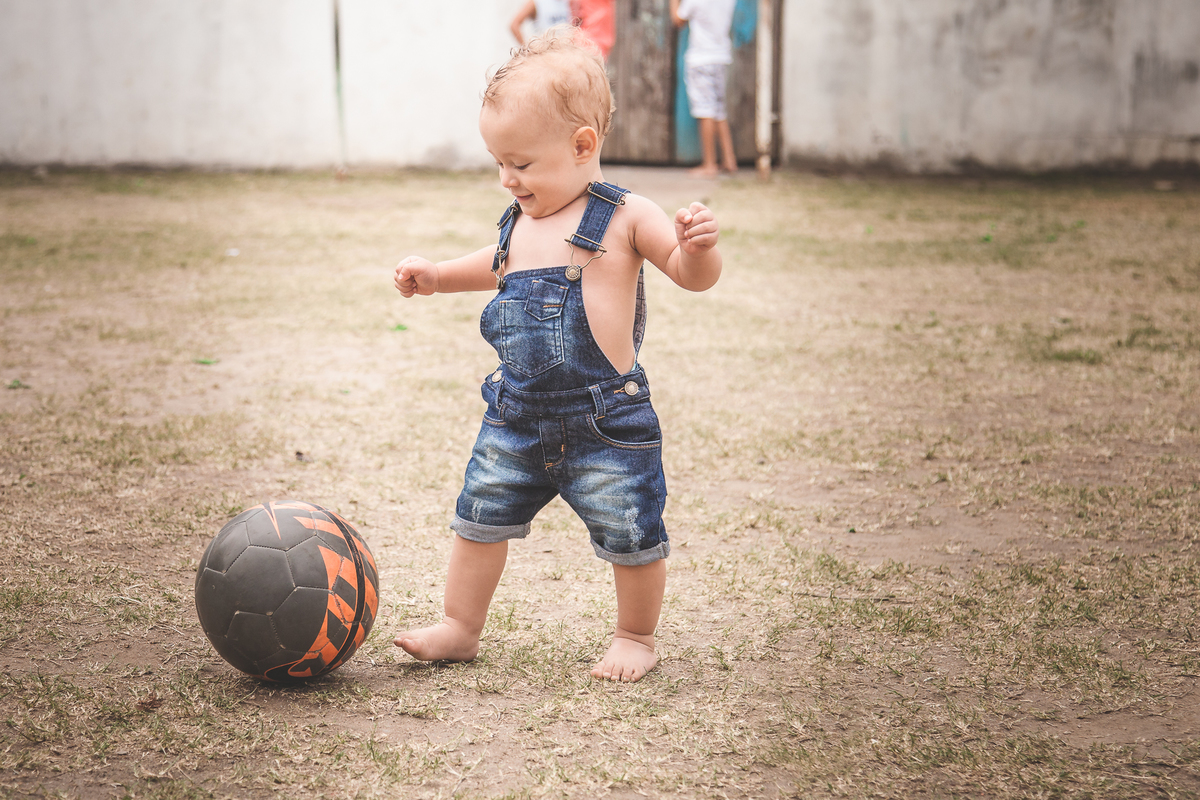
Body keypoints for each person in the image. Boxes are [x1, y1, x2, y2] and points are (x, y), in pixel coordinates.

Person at [391, 29, 722, 683]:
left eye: (520, 163)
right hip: (514, 414)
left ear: (581, 146)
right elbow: (495, 266)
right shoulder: (520, 219)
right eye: (498, 163)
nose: (507, 178)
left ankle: (634, 635)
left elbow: (689, 273)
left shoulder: (626, 215)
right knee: (478, 518)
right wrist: (436, 274)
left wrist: (701, 247)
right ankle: (460, 627)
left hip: (604, 420)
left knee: (630, 527)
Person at [670, 0, 738, 176]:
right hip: (720, 57)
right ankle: (729, 159)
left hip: (701, 59)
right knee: (718, 110)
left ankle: (709, 164)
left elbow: (678, 20)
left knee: (705, 110)